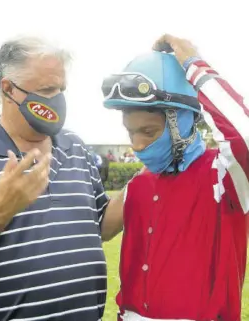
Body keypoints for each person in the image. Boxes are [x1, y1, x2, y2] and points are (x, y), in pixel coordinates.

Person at [0, 36, 124, 321]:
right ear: (9, 89)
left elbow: (101, 224)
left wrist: (147, 178)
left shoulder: (75, 146)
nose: (57, 100)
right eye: (46, 89)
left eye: (60, 89)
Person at [101, 35, 249, 321]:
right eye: (131, 132)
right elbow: (99, 230)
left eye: (149, 132)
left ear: (182, 121)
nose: (138, 145)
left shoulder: (224, 176)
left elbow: (244, 137)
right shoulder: (138, 185)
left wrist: (195, 66)